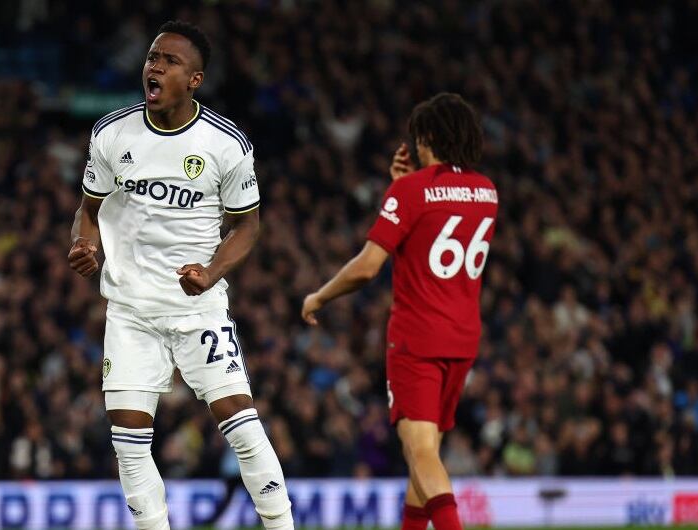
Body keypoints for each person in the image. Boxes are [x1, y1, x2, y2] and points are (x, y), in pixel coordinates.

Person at [68, 21, 293, 530]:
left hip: (197, 307)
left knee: (241, 425)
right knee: (129, 441)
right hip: (131, 309)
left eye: (170, 61)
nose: (155, 66)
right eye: (152, 57)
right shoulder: (111, 133)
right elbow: (89, 209)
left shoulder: (226, 144)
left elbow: (248, 225)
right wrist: (84, 244)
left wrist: (211, 272)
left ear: (194, 80)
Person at [302, 93, 497, 530]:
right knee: (426, 453)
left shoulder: (410, 191)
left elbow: (367, 268)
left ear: (427, 137)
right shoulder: (486, 190)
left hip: (418, 337)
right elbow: (439, 212)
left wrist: (319, 296)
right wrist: (410, 188)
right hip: (463, 337)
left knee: (420, 451)